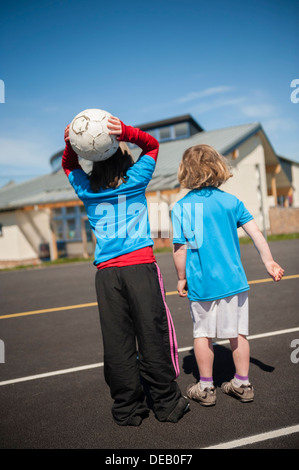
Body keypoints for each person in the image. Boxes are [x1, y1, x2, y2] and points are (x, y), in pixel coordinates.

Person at [62, 116, 189, 426]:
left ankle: (126, 408)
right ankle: (167, 404)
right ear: (123, 160)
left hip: (107, 276)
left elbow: (69, 166)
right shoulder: (136, 180)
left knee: (117, 341)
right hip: (139, 268)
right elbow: (153, 145)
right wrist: (128, 132)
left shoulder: (86, 190)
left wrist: (70, 143)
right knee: (152, 334)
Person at [171, 144, 284, 406]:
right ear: (217, 167)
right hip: (234, 281)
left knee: (202, 334)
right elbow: (256, 233)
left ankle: (206, 388)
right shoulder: (231, 201)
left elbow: (179, 248)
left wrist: (180, 277)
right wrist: (269, 262)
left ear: (186, 172)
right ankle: (242, 383)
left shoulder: (181, 207)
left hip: (202, 284)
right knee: (238, 334)